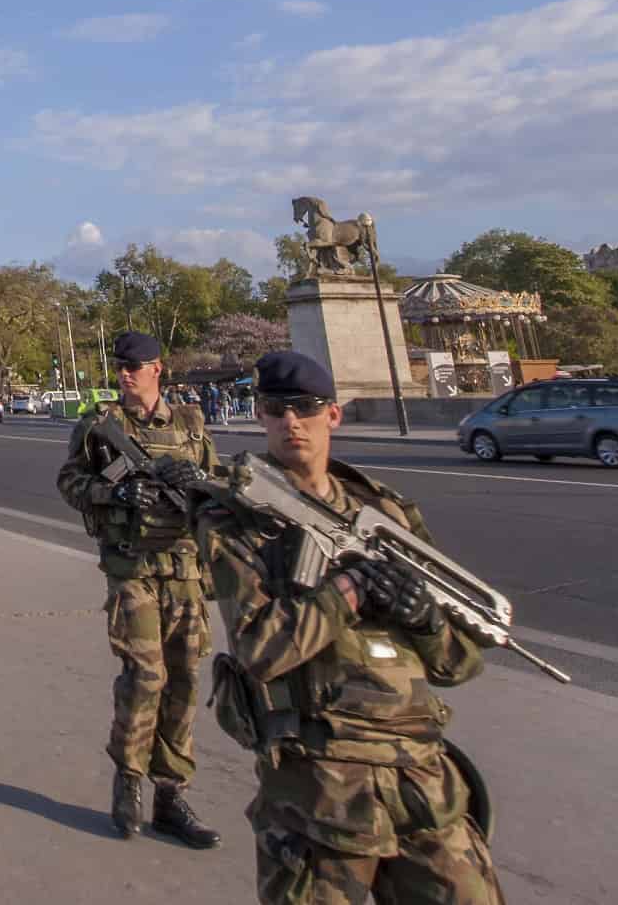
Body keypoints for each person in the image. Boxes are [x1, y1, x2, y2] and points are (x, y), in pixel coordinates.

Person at [205, 351, 504, 903]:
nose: (291, 421)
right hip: (319, 786)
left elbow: (459, 664)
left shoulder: (387, 515)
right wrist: (348, 590)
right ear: (260, 416)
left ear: (333, 415)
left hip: (422, 778)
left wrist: (424, 619)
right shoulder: (240, 522)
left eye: (305, 408)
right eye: (275, 409)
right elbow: (260, 651)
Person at [54, 329, 223, 851]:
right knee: (146, 676)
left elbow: (217, 497)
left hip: (186, 571)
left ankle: (170, 793)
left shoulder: (192, 426)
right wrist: (117, 491)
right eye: (120, 365)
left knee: (186, 681)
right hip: (133, 569)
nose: (126, 373)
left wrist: (196, 488)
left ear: (158, 368)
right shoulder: (101, 427)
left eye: (136, 365)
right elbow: (69, 484)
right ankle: (128, 783)